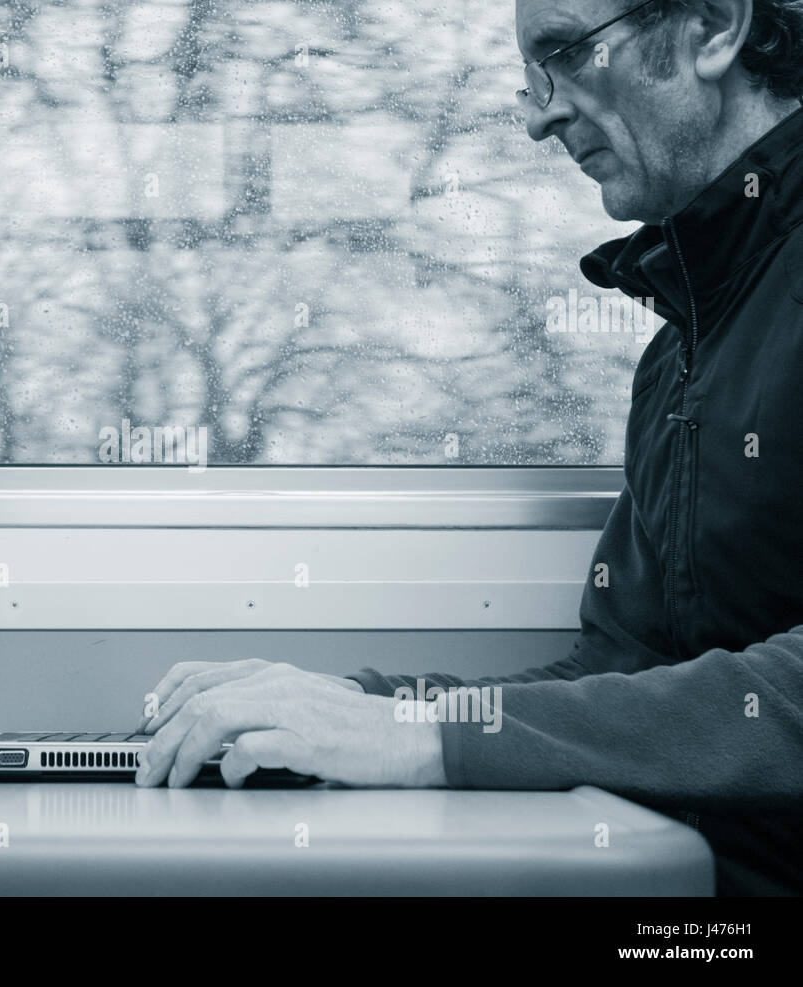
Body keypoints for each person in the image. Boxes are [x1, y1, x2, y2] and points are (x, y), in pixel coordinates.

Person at [133, 0, 803, 896]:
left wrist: (426, 740)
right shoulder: (685, 347)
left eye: (565, 54)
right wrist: (357, 705)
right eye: (530, 79)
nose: (537, 117)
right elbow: (624, 669)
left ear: (714, 27)